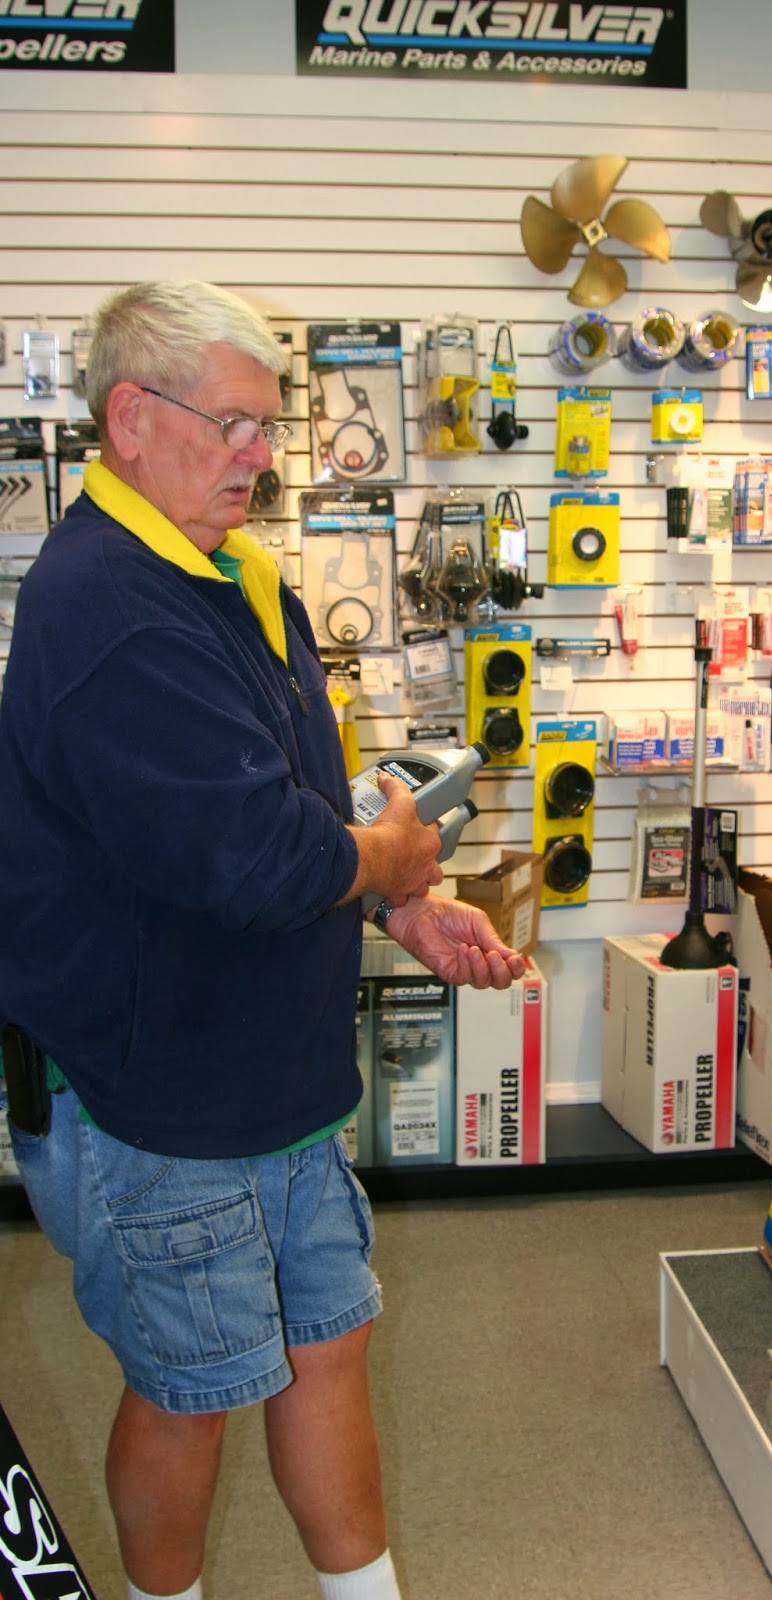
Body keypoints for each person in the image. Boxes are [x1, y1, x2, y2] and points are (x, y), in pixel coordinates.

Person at [0, 278, 526, 1600]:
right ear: (131, 417)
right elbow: (244, 855)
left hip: (274, 1080)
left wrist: (395, 898)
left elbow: (286, 807)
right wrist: (386, 856)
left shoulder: (234, 573)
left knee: (320, 1348)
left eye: (269, 424)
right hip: (157, 1101)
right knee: (193, 1391)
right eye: (233, 424)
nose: (264, 453)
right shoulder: (107, 610)